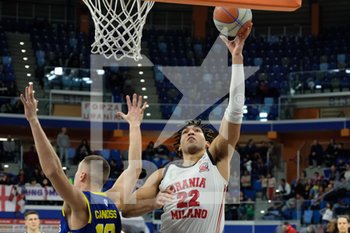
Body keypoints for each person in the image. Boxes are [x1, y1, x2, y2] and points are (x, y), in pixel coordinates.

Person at [121, 26, 252, 233]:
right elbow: (126, 210)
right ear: (179, 147)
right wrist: (154, 203)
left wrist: (237, 58)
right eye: (185, 132)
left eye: (197, 131)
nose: (190, 131)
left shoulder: (215, 160)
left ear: (208, 144)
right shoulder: (163, 174)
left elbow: (235, 110)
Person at [20, 84, 147, 233]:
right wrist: (135, 125)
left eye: (77, 171)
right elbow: (135, 169)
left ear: (82, 175)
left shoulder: (80, 202)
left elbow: (54, 171)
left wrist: (33, 121)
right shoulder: (113, 200)